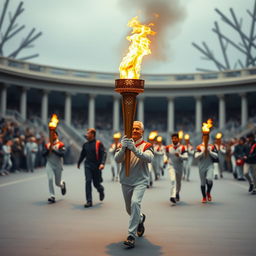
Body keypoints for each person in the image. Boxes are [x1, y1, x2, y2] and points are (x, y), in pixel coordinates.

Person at [115, 121, 154, 248]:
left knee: (135, 203)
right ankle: (141, 218)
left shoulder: (147, 145)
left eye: (138, 129)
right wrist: (123, 148)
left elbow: (149, 158)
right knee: (129, 209)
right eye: (133, 129)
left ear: (142, 131)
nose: (135, 131)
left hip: (140, 181)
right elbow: (117, 159)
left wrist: (134, 149)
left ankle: (131, 235)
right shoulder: (124, 143)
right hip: (126, 181)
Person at [77, 128, 106, 208]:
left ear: (93, 134)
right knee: (88, 181)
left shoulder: (98, 143)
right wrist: (79, 162)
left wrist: (102, 163)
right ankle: (89, 201)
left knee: (96, 184)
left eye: (88, 133)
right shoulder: (85, 145)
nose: (87, 134)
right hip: (88, 166)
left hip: (97, 166)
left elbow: (104, 154)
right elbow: (82, 155)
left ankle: (101, 190)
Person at [43, 131, 66, 203]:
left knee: (57, 183)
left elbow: (62, 154)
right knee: (50, 179)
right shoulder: (47, 145)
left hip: (58, 165)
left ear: (57, 136)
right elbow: (43, 154)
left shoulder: (61, 144)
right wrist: (48, 150)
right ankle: (52, 196)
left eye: (54, 135)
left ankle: (62, 185)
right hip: (49, 164)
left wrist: (53, 150)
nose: (52, 136)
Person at [166, 133, 188, 205]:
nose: (174, 140)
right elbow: (165, 155)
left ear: (178, 139)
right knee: (173, 180)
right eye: (173, 138)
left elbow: (186, 157)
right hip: (171, 166)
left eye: (175, 138)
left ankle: (177, 193)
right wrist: (165, 159)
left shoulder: (182, 147)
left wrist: (180, 156)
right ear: (171, 139)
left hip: (179, 166)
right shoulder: (168, 147)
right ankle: (173, 196)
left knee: (178, 183)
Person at [194, 138, 218, 203]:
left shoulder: (212, 146)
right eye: (204, 136)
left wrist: (210, 152)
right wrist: (202, 152)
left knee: (209, 179)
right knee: (203, 182)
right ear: (202, 138)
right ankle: (204, 197)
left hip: (210, 165)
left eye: (207, 136)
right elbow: (196, 156)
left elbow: (216, 156)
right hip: (201, 166)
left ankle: (208, 192)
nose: (205, 138)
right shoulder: (199, 147)